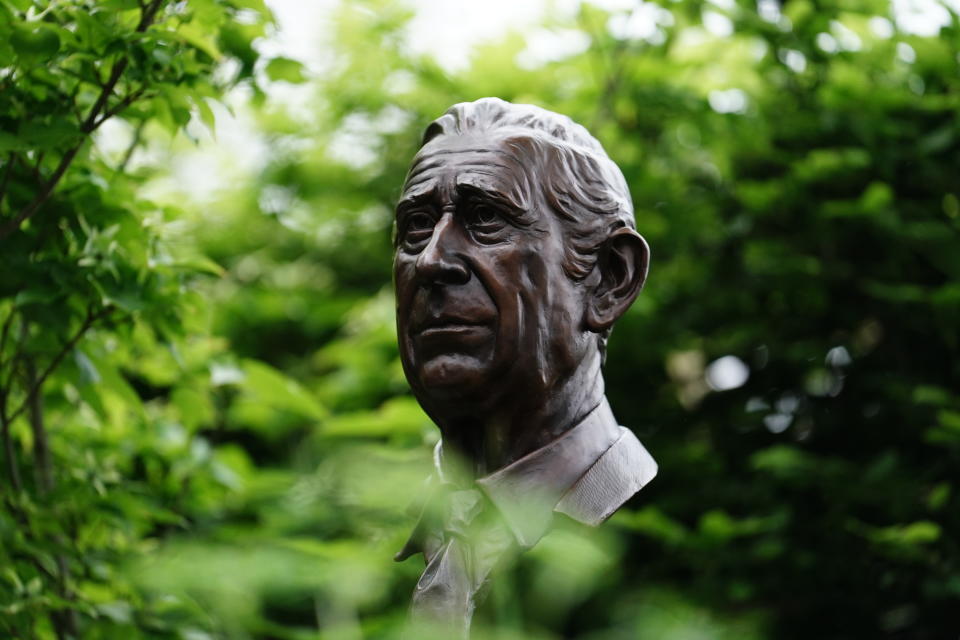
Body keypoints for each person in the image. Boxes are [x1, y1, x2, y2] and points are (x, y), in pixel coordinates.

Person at [393, 97, 657, 635]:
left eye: (486, 218)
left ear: (610, 280)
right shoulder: (338, 564)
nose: (431, 260)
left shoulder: (666, 555)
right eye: (416, 226)